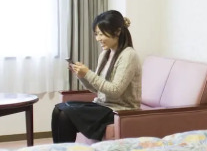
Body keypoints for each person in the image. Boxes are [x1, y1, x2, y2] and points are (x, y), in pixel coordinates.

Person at [51, 10, 142, 143]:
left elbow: (115, 91)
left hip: (121, 112)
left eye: (101, 34)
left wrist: (88, 73)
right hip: (103, 106)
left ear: (117, 32)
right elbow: (97, 89)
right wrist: (82, 75)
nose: (98, 38)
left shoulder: (128, 55)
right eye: (96, 34)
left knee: (65, 113)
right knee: (59, 110)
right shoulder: (105, 54)